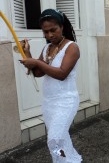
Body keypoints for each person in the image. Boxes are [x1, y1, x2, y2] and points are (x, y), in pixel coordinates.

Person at [20, 9, 82, 162]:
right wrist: (28, 54)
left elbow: (62, 74)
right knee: (62, 138)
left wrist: (35, 62)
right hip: (49, 102)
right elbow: (39, 73)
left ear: (61, 27)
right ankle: (71, 160)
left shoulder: (72, 47)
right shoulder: (47, 48)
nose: (49, 35)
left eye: (53, 30)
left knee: (54, 140)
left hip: (66, 101)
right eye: (45, 32)